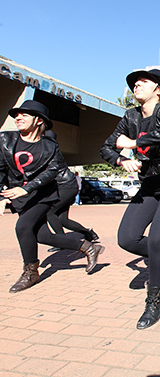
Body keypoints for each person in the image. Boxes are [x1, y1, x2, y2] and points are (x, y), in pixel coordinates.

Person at [100, 69, 160, 329]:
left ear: (159, 89)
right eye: (134, 82)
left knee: (158, 239)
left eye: (144, 81)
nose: (136, 84)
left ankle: (155, 300)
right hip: (150, 186)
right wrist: (121, 159)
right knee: (127, 239)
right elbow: (107, 146)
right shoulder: (130, 116)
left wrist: (134, 142)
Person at [1, 100, 104, 293]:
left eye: (24, 114)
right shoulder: (5, 139)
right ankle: (88, 246)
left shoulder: (49, 146)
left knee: (23, 227)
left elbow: (52, 171)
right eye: (16, 114)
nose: (18, 117)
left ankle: (31, 272)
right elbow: (0, 168)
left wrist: (28, 188)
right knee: (43, 236)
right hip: (20, 197)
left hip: (42, 195)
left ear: (39, 120)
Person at [45, 131, 99, 253]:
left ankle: (61, 241)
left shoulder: (49, 151)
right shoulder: (54, 150)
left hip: (65, 186)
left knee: (50, 212)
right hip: (68, 186)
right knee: (63, 219)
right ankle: (89, 233)